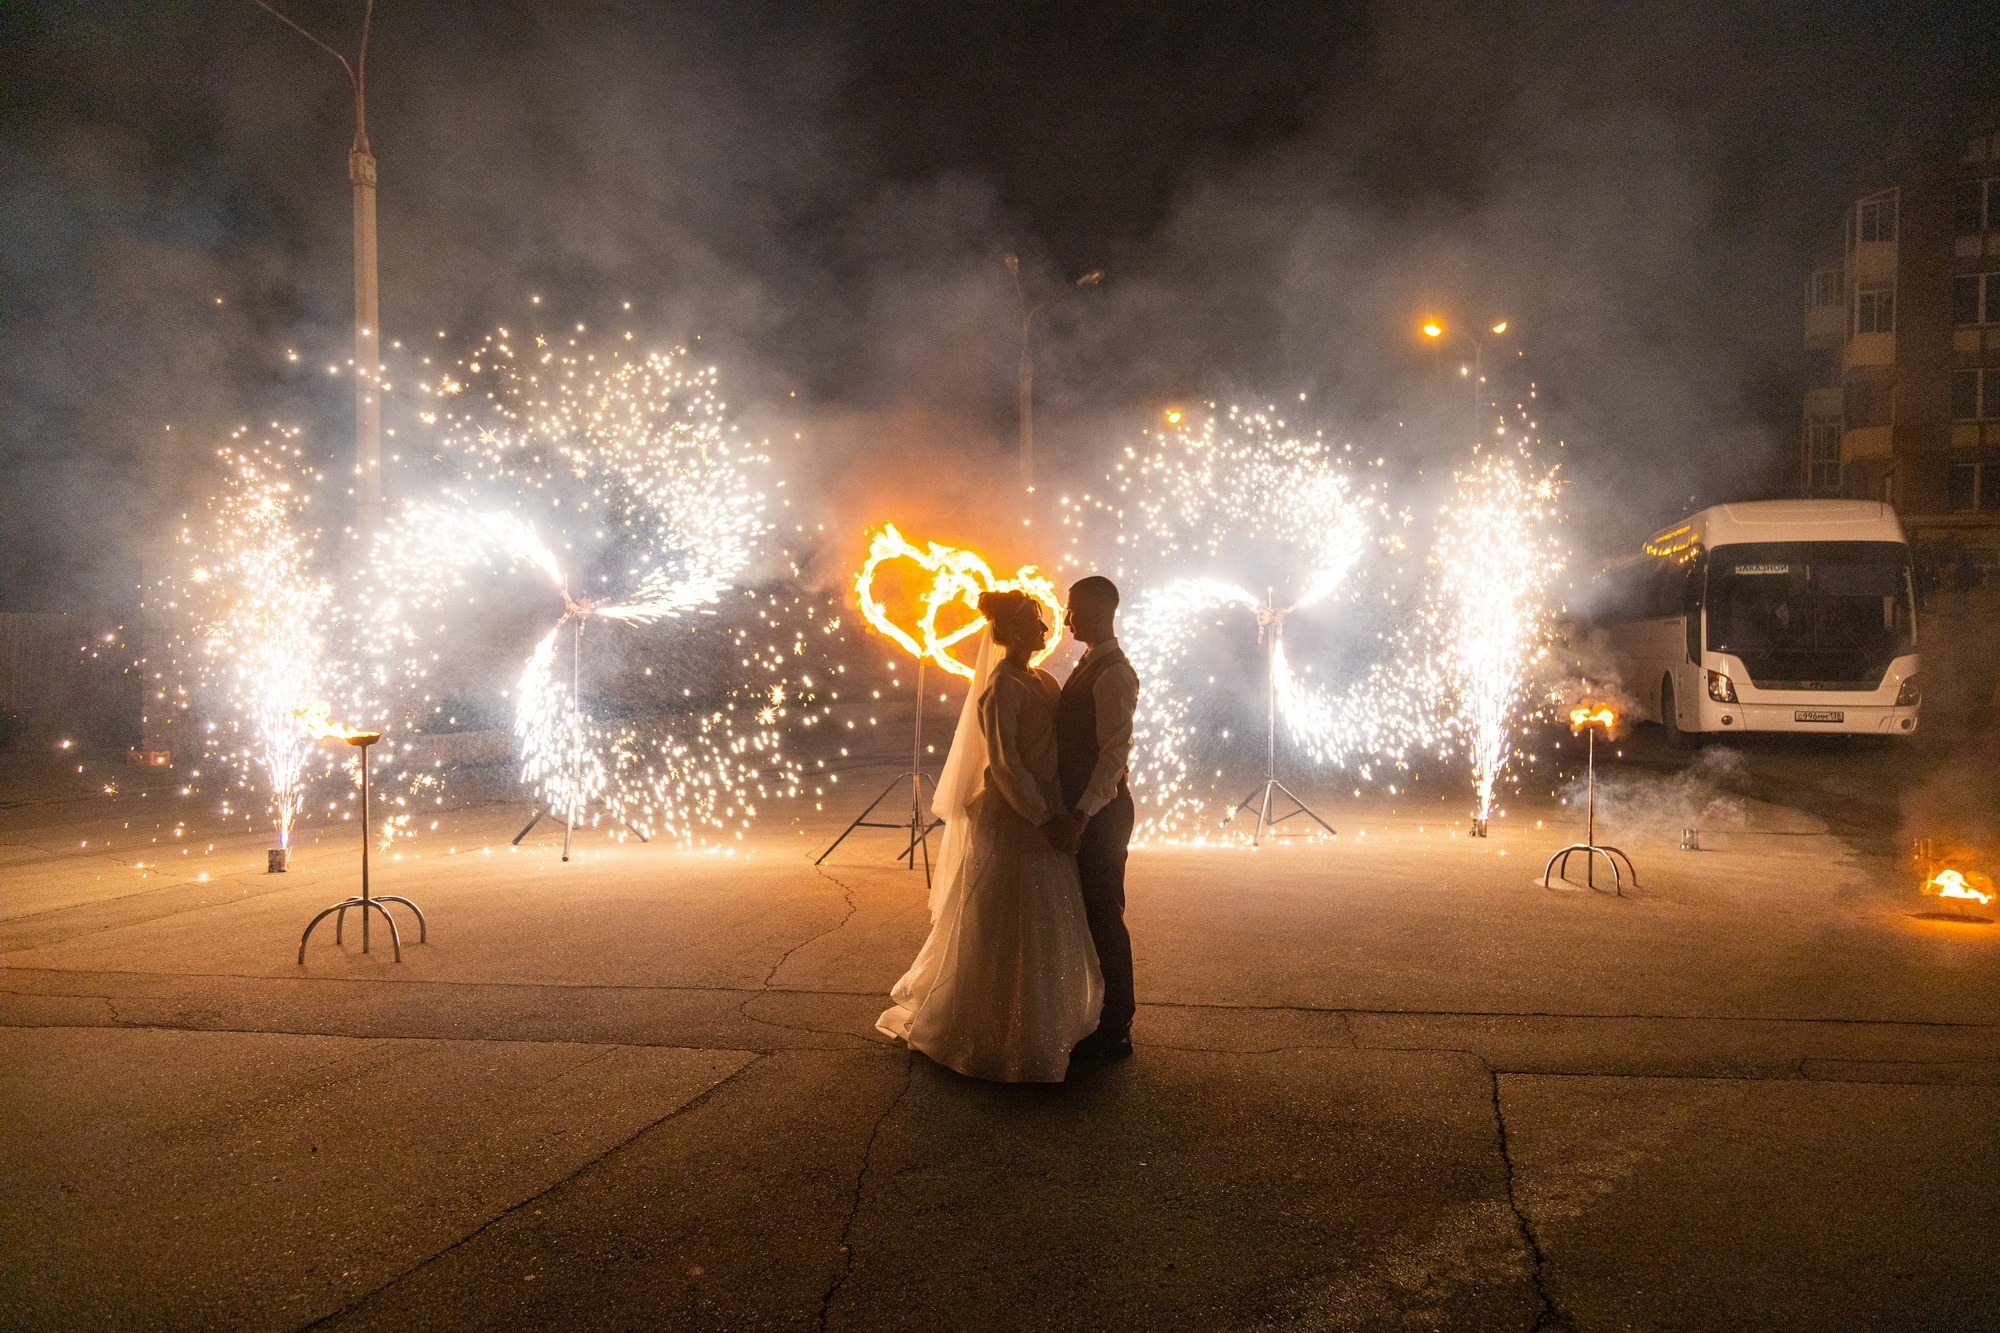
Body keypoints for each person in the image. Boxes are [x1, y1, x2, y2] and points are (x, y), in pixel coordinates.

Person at [876, 590, 1104, 1082]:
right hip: (1018, 815)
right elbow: (1004, 764)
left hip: (1049, 808)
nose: (1048, 632)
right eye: (1038, 625)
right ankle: (993, 1032)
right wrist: (1042, 817)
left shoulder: (1041, 679)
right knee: (1005, 918)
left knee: (1043, 919)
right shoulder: (1002, 686)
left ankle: (1040, 1026)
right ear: (1016, 632)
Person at [1053, 575, 1140, 1062]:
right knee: (1091, 914)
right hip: (1090, 812)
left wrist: (1081, 815)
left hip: (1103, 816)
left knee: (1105, 915)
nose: (1066, 619)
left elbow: (1112, 757)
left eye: (1073, 609)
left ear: (1098, 610)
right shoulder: (1089, 663)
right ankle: (1099, 1016)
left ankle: (1118, 1026)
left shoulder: (1113, 673)